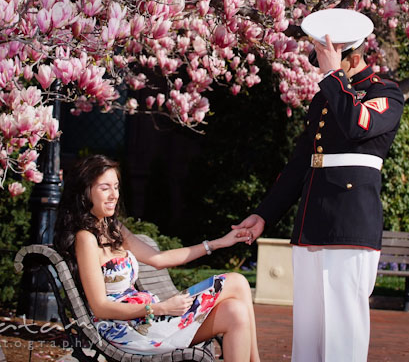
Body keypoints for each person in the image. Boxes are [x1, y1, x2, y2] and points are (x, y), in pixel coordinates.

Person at [234, 28, 405, 361]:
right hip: (312, 222)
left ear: (355, 55)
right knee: (309, 335)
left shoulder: (386, 92)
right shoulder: (327, 96)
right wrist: (264, 215)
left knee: (343, 332)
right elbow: (300, 164)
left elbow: (359, 125)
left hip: (350, 224)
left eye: (333, 59)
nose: (324, 69)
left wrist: (332, 75)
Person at [54, 154, 260, 361]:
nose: (113, 195)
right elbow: (100, 306)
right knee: (237, 282)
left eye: (116, 187)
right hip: (129, 329)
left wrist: (219, 243)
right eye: (104, 187)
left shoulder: (113, 228)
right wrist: (160, 308)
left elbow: (160, 259)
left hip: (152, 318)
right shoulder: (86, 238)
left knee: (236, 311)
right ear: (85, 192)